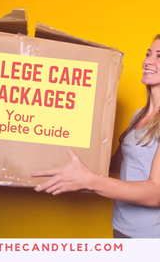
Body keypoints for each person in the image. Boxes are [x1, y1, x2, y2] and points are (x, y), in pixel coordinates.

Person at [31, 35, 160, 238]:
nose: (148, 61)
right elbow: (117, 168)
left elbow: (156, 193)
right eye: (148, 54)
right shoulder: (139, 116)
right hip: (123, 227)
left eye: (159, 56)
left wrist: (88, 180)